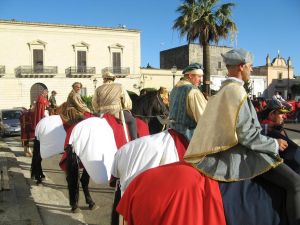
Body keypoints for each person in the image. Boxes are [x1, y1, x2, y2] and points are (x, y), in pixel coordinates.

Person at [184, 48, 300, 225]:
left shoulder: (224, 90)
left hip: (233, 146)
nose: (252, 70)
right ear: (241, 66)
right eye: (250, 66)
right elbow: (246, 135)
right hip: (242, 153)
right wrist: (274, 144)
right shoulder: (236, 92)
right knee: (296, 183)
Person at [92, 71, 137, 140]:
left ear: (104, 79)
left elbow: (94, 103)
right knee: (132, 120)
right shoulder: (119, 86)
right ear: (113, 79)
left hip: (103, 114)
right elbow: (126, 101)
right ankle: (134, 140)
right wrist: (127, 107)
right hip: (117, 113)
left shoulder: (98, 89)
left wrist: (98, 110)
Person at [169, 63, 207, 140]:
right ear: (190, 76)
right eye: (199, 77)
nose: (200, 80)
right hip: (189, 136)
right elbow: (204, 118)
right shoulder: (193, 91)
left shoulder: (174, 89)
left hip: (174, 132)